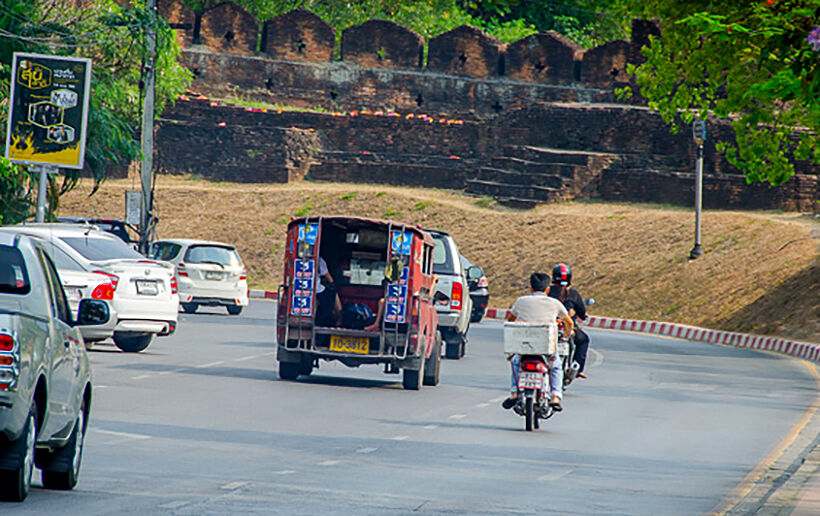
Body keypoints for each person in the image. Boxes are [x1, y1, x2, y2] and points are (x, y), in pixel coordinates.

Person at [503, 272, 574, 412]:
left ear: (531, 288)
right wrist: (566, 334)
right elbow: (569, 323)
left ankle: (514, 393)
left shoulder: (520, 301)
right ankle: (555, 397)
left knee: (515, 362)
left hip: (524, 347)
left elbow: (511, 320)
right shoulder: (555, 303)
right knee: (556, 367)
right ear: (547, 289)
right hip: (546, 348)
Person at [548, 263, 591, 379]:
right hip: (568, 329)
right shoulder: (573, 294)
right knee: (584, 340)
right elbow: (582, 312)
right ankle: (578, 368)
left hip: (549, 328)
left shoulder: (548, 291)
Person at [315, 256, 342, 326]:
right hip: (318, 291)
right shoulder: (320, 260)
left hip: (309, 292)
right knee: (332, 293)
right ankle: (338, 320)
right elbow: (329, 278)